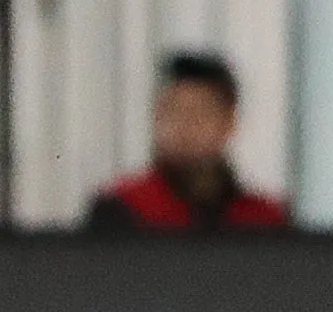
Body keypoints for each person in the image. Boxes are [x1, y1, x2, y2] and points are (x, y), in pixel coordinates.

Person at [85, 53, 291, 232]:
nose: (185, 126)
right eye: (173, 111)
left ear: (230, 122)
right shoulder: (122, 208)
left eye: (201, 113)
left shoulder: (265, 219)